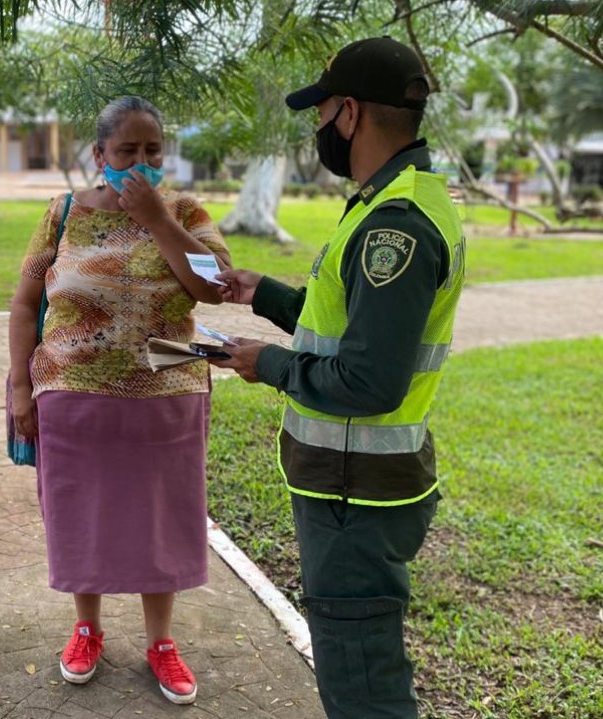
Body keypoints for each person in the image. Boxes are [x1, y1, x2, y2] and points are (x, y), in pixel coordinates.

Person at [210, 37, 467, 719]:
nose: (318, 128)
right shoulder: (396, 199)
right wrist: (264, 294)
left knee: (362, 686)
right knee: (358, 666)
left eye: (321, 113)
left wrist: (265, 363)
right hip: (355, 486)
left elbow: (370, 380)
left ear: (349, 113)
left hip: (356, 494)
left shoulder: (395, 228)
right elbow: (350, 323)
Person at [8, 96, 231, 705]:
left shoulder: (185, 211)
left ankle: (161, 642)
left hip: (167, 393)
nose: (140, 161)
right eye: (127, 150)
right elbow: (25, 303)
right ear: (98, 154)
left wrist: (157, 218)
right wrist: (21, 385)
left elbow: (214, 286)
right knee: (83, 517)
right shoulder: (62, 212)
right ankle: (87, 629)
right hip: (73, 398)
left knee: (163, 520)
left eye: (152, 150)